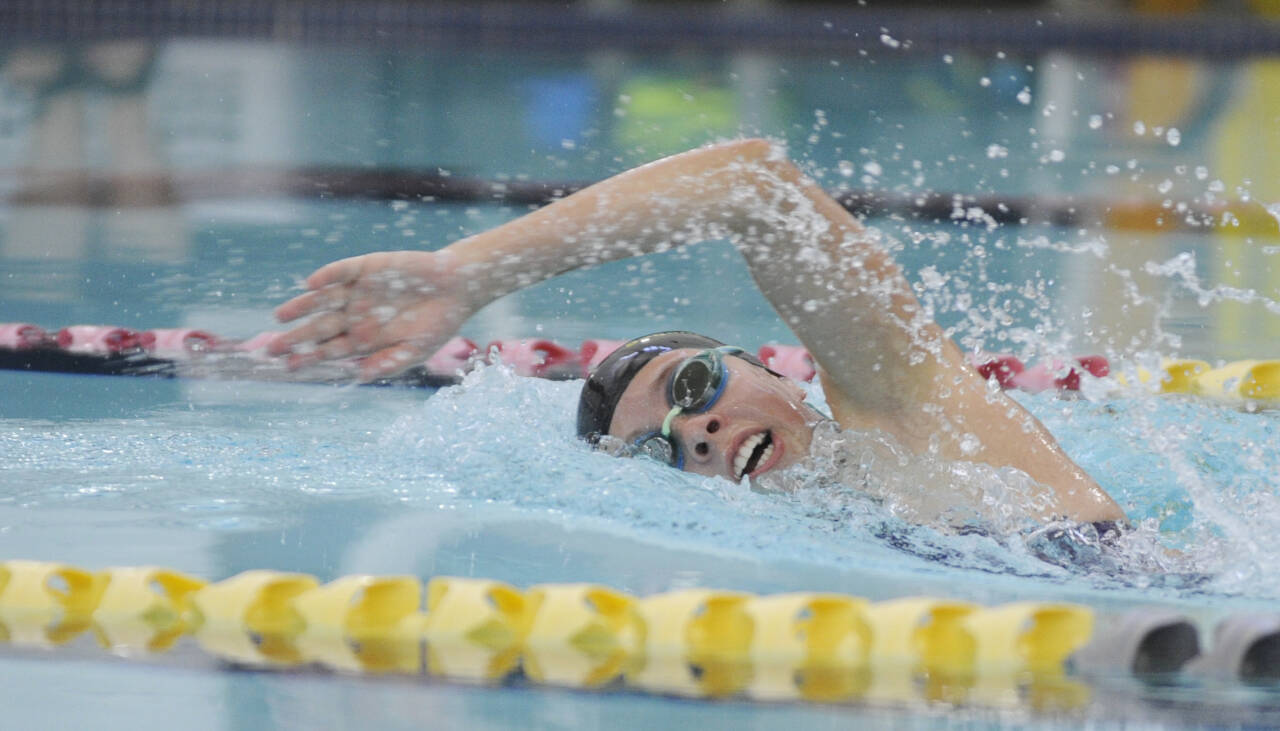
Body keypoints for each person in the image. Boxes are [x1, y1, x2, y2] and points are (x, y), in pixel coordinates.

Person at [270, 138, 1125, 526]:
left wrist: (472, 274)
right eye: (661, 448)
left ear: (782, 373)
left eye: (692, 388)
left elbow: (752, 184)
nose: (696, 427)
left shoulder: (914, 414)